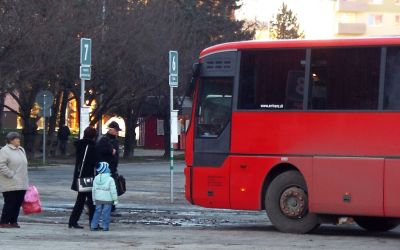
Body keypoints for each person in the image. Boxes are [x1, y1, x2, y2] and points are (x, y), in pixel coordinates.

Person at [68, 127, 98, 229]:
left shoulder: (81, 145)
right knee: (91, 201)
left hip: (81, 176)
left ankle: (73, 221)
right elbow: (93, 162)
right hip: (87, 176)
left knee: (81, 200)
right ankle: (93, 223)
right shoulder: (90, 147)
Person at [0, 132, 29, 228]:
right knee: (10, 202)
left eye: (19, 138)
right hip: (10, 182)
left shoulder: (21, 150)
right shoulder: (5, 151)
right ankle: (4, 222)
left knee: (18, 203)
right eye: (17, 139)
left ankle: (13, 221)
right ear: (11, 140)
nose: (19, 140)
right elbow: (1, 165)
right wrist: (10, 174)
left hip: (21, 182)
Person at [96, 121, 121, 213]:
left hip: (113, 168)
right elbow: (99, 151)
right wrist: (110, 151)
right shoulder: (104, 140)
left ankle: (111, 207)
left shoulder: (115, 140)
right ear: (110, 130)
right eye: (116, 130)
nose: (117, 132)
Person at [91, 162, 118, 231]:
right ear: (106, 169)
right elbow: (113, 191)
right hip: (108, 199)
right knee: (106, 213)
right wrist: (115, 200)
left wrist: (94, 199)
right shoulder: (110, 179)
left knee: (97, 212)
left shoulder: (96, 178)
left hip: (98, 199)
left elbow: (93, 190)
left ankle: (93, 225)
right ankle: (105, 227)